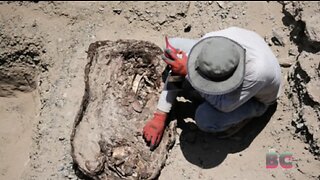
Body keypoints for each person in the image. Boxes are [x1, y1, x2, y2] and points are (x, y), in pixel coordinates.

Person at [142, 27, 282, 150]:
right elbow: (178, 67)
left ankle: (243, 119)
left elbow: (225, 105)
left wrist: (188, 74)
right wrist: (160, 116)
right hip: (245, 56)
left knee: (205, 119)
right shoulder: (212, 40)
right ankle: (199, 85)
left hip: (255, 99)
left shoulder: (257, 72)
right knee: (174, 47)